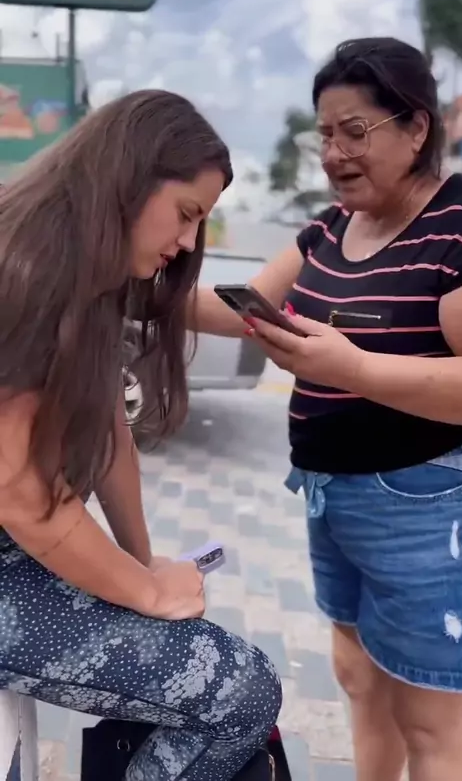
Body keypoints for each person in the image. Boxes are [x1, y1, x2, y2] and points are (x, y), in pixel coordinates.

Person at [189, 38, 462, 781]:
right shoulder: (329, 227)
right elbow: (244, 309)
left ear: (416, 127)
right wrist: (126, 285)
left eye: (355, 132)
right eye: (323, 135)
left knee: (430, 716)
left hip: (427, 502)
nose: (334, 154)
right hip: (332, 494)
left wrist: (353, 369)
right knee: (359, 678)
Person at [0, 90, 282, 781]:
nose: (187, 242)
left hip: (15, 554)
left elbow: (109, 437)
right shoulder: (29, 272)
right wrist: (148, 594)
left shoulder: (88, 276)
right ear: (129, 177)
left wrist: (142, 561)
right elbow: (18, 491)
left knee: (232, 675)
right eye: (186, 213)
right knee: (244, 692)